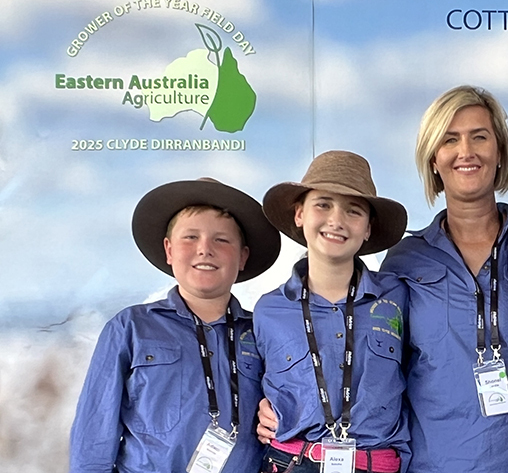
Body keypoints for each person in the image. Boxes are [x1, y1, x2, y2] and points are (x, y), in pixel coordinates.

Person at [69, 177, 281, 473]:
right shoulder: (130, 328)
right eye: (190, 237)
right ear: (169, 250)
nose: (205, 249)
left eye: (221, 239)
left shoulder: (265, 332)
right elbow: (93, 439)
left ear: (243, 256)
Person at [379, 85, 508, 471]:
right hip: (434, 463)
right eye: (450, 139)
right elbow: (373, 364)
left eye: (479, 137)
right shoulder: (404, 261)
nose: (466, 151)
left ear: (499, 152)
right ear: (434, 159)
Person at [254, 150, 409, 473]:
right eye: (322, 205)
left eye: (353, 211)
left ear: (368, 229)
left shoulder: (399, 296)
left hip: (374, 463)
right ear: (299, 214)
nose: (336, 221)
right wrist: (261, 409)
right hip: (292, 462)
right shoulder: (268, 310)